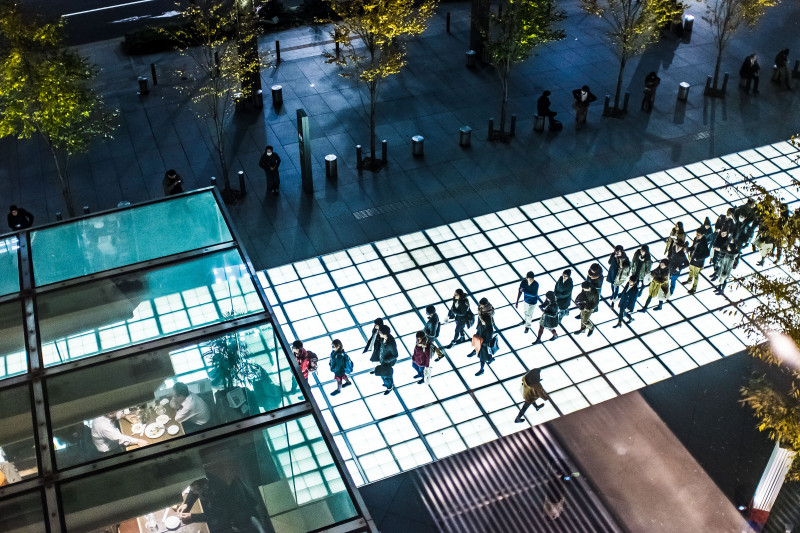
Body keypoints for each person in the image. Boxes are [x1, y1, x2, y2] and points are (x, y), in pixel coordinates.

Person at [178, 468, 273, 533]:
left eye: (196, 491)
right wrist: (187, 504)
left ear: (204, 488)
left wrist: (192, 517)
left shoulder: (218, 493)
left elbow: (215, 514)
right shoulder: (203, 478)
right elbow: (194, 489)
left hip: (231, 513)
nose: (193, 492)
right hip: (227, 510)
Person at [684, 228, 710, 294]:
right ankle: (689, 281)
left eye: (699, 235)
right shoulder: (696, 239)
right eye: (696, 234)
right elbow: (693, 247)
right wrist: (689, 249)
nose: (697, 236)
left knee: (695, 275)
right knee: (691, 270)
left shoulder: (704, 243)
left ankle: (694, 288)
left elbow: (707, 254)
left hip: (698, 262)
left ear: (703, 235)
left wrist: (698, 258)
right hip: (693, 258)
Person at [472, 305, 495, 376]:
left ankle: (482, 369)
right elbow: (480, 325)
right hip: (481, 337)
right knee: (482, 354)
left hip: (484, 340)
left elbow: (490, 331)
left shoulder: (487, 319)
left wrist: (486, 341)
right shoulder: (483, 316)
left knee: (482, 356)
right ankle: (490, 359)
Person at [376, 324, 398, 394]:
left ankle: (389, 387)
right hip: (383, 360)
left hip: (387, 362)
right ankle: (389, 383)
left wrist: (386, 360)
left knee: (386, 376)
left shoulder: (391, 344)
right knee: (385, 375)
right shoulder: (384, 338)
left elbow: (395, 355)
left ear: (384, 334)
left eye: (379, 332)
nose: (379, 333)